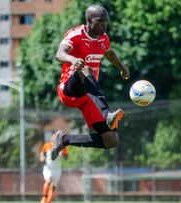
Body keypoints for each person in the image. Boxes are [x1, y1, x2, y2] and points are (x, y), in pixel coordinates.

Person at [51, 4, 130, 160]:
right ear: (89, 20)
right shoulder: (76, 35)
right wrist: (73, 59)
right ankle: (107, 114)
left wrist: (122, 67)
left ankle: (65, 140)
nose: (104, 25)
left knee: (111, 140)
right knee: (86, 69)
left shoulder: (103, 38)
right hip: (69, 89)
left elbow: (109, 52)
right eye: (100, 21)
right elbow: (59, 53)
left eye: (106, 21)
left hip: (88, 98)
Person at [40, 133, 69, 203]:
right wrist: (42, 158)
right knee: (49, 181)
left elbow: (66, 157)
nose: (54, 139)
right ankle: (44, 197)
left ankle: (49, 201)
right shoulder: (47, 146)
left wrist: (62, 153)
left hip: (57, 170)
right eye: (53, 137)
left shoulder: (62, 147)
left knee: (53, 188)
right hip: (48, 168)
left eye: (56, 138)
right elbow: (42, 155)